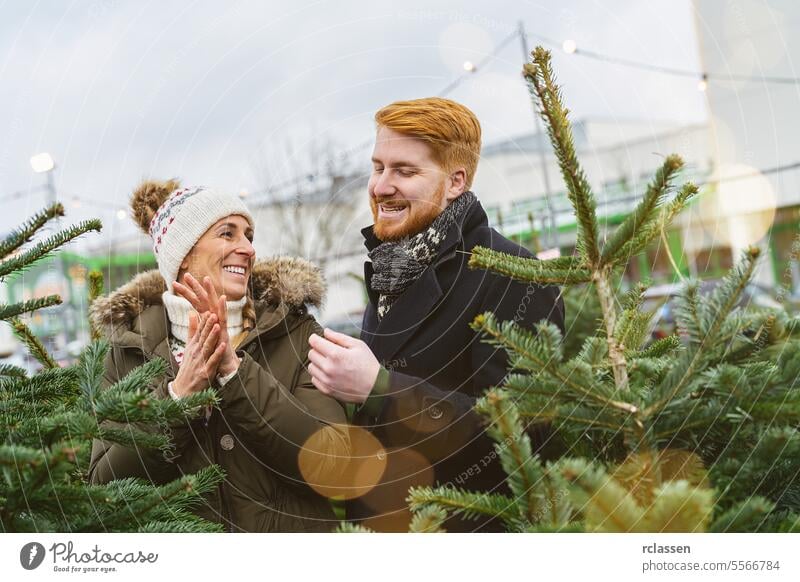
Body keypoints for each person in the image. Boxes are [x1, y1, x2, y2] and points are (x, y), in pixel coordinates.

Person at [307, 97, 565, 531]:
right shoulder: (394, 268)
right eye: (378, 167)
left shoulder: (511, 275)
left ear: (455, 182)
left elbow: (524, 433)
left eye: (405, 171)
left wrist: (379, 388)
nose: (381, 187)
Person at [88, 179, 350, 532]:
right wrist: (177, 399)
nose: (247, 249)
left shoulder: (295, 331)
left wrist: (234, 371)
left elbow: (335, 465)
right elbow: (104, 491)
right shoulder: (127, 350)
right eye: (227, 234)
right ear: (183, 253)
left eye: (249, 236)